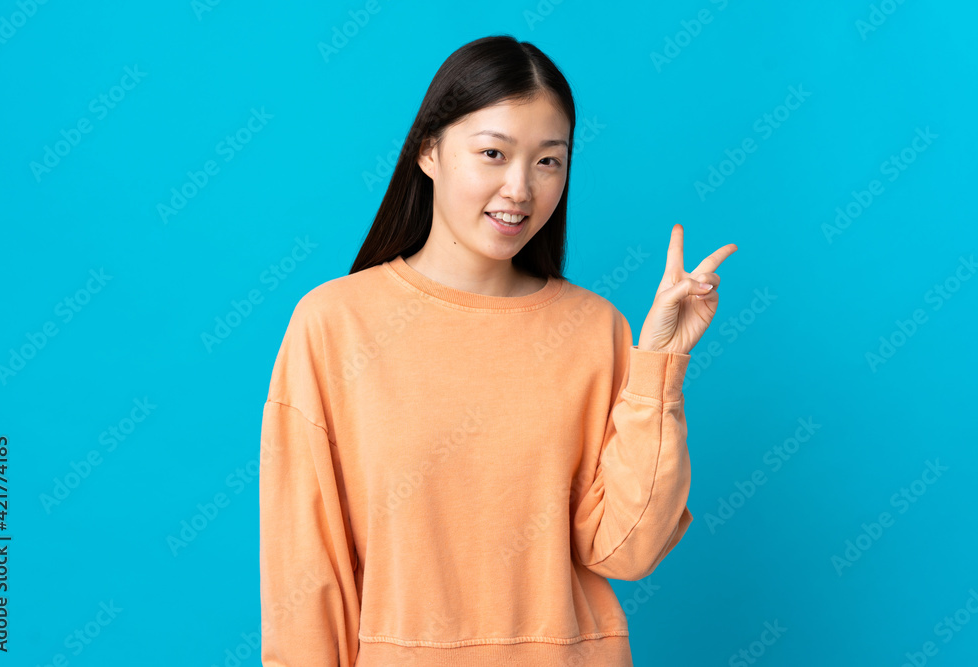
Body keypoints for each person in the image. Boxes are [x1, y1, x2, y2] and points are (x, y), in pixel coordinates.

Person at [259, 34, 737, 666]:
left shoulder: (596, 329)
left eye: (549, 161)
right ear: (429, 151)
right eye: (493, 153)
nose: (520, 188)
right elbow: (305, 572)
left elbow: (627, 551)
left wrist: (659, 369)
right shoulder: (334, 324)